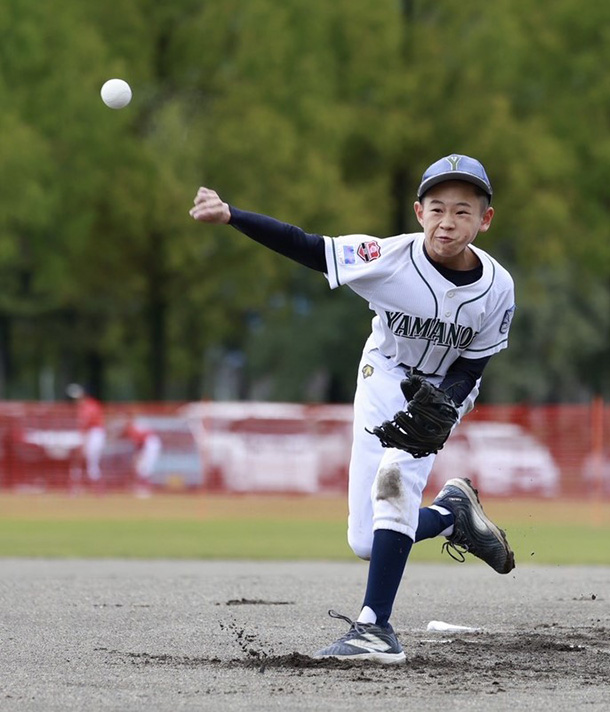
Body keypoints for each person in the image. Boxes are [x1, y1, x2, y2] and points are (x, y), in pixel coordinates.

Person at [190, 154, 517, 664]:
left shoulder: (498, 287)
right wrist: (233, 215)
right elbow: (307, 246)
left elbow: (473, 364)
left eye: (462, 211)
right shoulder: (388, 257)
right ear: (418, 212)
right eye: (436, 208)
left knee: (395, 482)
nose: (447, 222)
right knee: (367, 539)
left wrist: (446, 406)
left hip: (441, 394)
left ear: (485, 220)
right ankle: (451, 516)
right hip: (383, 376)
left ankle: (374, 628)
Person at [66, 383, 106, 490]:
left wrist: (84, 439)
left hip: (94, 433)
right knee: (86, 459)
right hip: (92, 433)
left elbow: (87, 423)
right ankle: (85, 483)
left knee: (91, 459)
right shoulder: (83, 407)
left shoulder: (89, 406)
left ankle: (95, 485)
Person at [123, 419, 162, 497]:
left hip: (150, 444)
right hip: (150, 444)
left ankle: (145, 489)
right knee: (142, 468)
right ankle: (143, 488)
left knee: (144, 468)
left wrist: (137, 456)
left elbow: (139, 443)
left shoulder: (133, 429)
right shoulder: (137, 426)